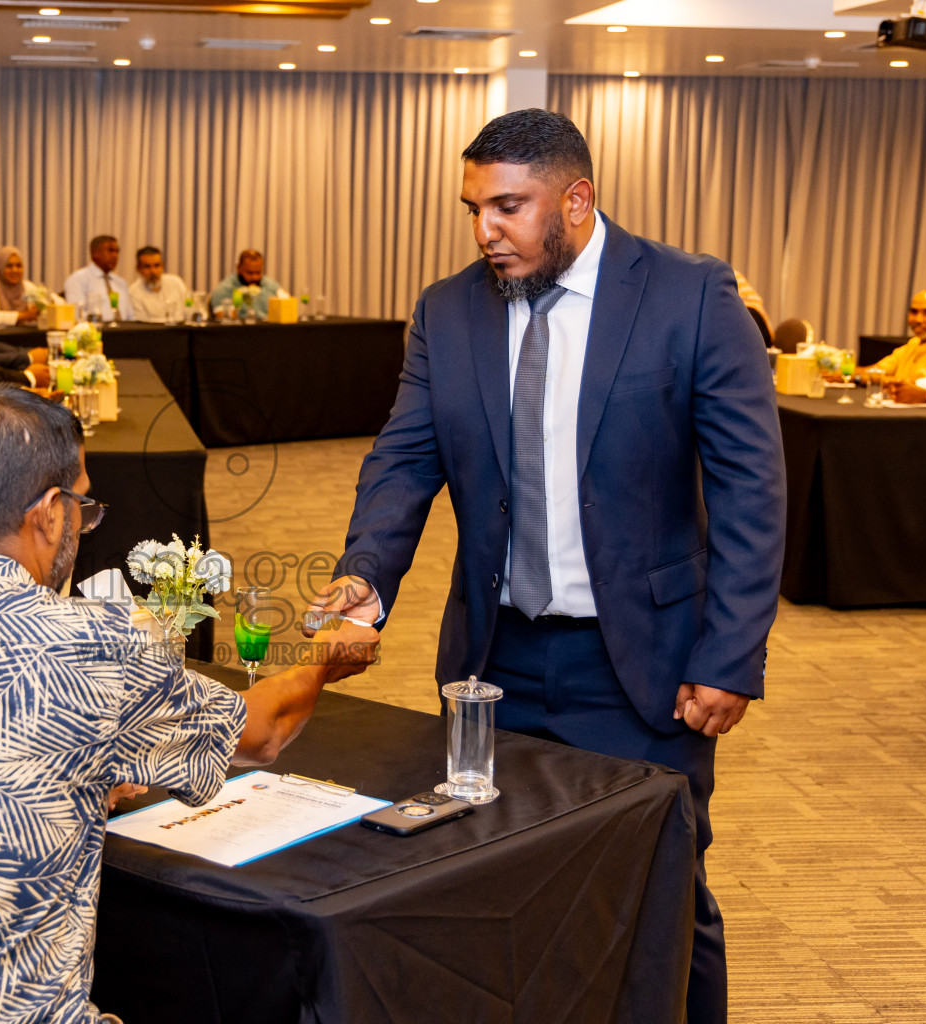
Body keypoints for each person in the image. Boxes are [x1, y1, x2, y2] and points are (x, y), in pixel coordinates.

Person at [302, 108, 784, 1024]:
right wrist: (368, 570)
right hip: (496, 663)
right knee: (504, 883)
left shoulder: (691, 295)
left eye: (509, 207)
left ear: (577, 199)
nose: (487, 230)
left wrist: (729, 657)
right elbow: (405, 458)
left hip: (642, 665)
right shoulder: (449, 310)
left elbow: (753, 490)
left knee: (661, 891)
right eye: (474, 207)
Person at [0, 384, 379, 1024]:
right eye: (81, 505)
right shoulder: (97, 643)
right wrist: (325, 659)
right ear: (45, 513)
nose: (80, 522)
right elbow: (261, 732)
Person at [856, 290, 926, 383]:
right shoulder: (914, 343)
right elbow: (876, 370)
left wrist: (859, 378)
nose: (918, 319)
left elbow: (915, 385)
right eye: (914, 312)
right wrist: (844, 373)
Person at [62, 235, 135, 322]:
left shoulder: (121, 282)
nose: (115, 256)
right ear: (95, 253)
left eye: (117, 251)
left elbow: (130, 315)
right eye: (110, 251)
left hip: (126, 331)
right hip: (96, 331)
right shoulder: (78, 279)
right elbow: (77, 314)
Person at [208, 249, 287, 319]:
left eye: (258, 272)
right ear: (239, 268)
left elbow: (287, 307)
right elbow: (221, 318)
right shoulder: (224, 289)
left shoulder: (272, 286)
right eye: (250, 273)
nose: (254, 277)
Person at [129, 245, 192, 323]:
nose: (153, 271)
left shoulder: (176, 282)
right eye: (147, 267)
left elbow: (189, 311)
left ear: (162, 265)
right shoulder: (133, 292)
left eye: (157, 265)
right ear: (138, 269)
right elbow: (142, 323)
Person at [0, 245, 41, 328]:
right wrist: (24, 316)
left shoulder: (27, 287)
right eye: (9, 266)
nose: (15, 270)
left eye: (18, 266)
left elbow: (40, 310)